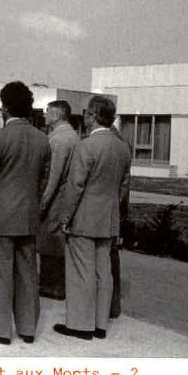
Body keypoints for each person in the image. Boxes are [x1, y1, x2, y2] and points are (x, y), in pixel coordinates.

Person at [0, 82, 51, 345]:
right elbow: (43, 180)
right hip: (28, 216)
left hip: (1, 216)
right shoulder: (42, 140)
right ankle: (28, 328)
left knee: (0, 273)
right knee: (28, 273)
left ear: (5, 107)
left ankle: (0, 329)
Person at [48, 95, 131, 341]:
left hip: (83, 218)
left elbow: (75, 186)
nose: (84, 118)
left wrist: (65, 217)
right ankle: (100, 324)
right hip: (108, 218)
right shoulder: (122, 146)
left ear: (93, 117)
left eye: (86, 114)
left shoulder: (87, 146)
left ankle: (79, 324)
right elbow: (124, 187)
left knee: (80, 272)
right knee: (103, 272)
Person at [36, 100, 79, 300]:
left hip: (56, 200)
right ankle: (55, 285)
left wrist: (42, 204)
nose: (44, 116)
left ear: (55, 115)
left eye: (47, 112)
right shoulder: (73, 137)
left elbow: (52, 177)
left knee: (50, 243)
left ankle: (51, 286)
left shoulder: (58, 141)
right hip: (66, 197)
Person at [109, 117, 132, 318]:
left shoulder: (109, 144)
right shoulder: (123, 144)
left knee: (106, 260)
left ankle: (108, 304)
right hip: (116, 212)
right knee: (111, 259)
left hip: (107, 213)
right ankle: (112, 304)